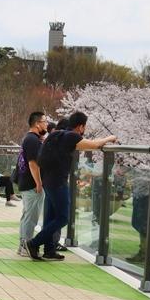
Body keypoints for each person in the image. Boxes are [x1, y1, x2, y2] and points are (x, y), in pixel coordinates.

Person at [26, 111, 117, 261]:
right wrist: (109, 138)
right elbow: (94, 145)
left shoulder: (57, 134)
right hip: (58, 182)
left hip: (48, 180)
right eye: (84, 127)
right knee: (63, 217)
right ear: (81, 127)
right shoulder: (72, 137)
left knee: (51, 217)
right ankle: (34, 243)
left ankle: (49, 250)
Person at [16, 112, 48, 255]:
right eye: (44, 121)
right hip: (31, 185)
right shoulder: (33, 140)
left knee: (27, 215)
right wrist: (39, 183)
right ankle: (26, 246)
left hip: (27, 183)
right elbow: (33, 164)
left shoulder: (29, 139)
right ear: (37, 124)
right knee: (31, 217)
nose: (46, 124)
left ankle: (23, 244)